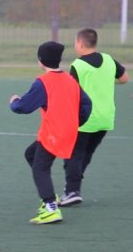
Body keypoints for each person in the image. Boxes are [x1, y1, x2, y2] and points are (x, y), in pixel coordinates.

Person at [10, 41, 92, 224]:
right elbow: (87, 104)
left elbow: (24, 107)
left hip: (53, 134)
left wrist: (14, 102)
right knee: (31, 154)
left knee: (40, 167)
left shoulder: (43, 82)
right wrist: (76, 122)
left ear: (40, 60)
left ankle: (50, 207)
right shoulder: (70, 80)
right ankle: (49, 197)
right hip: (67, 132)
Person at [61, 28, 129, 206]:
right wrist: (105, 80)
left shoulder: (78, 65)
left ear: (81, 44)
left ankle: (72, 191)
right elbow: (124, 78)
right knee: (86, 154)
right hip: (105, 119)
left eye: (75, 42)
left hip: (85, 119)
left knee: (73, 154)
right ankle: (73, 188)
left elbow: (71, 93)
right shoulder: (108, 59)